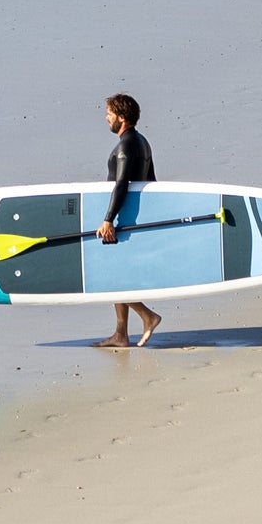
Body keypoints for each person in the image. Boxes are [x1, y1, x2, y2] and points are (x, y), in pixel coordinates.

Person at [96, 92, 160, 348]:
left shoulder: (125, 145)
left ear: (121, 117)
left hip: (122, 218)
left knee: (112, 277)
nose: (106, 118)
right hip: (132, 217)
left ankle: (147, 316)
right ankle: (121, 334)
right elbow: (152, 182)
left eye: (110, 113)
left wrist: (108, 219)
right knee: (117, 274)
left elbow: (121, 184)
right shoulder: (142, 142)